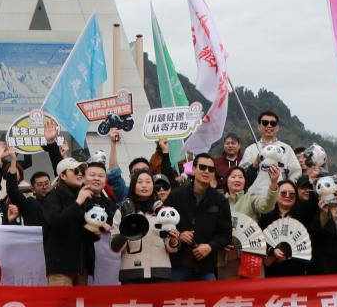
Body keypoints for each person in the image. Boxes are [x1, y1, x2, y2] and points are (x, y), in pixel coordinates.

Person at [165, 154, 232, 282]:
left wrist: (210, 246)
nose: (206, 171)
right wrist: (179, 235)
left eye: (211, 169)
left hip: (206, 267)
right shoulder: (176, 196)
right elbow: (164, 224)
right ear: (194, 169)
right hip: (178, 265)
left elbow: (226, 234)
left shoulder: (220, 200)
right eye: (202, 167)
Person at [111, 169, 178, 283]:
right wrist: (128, 225)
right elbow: (115, 247)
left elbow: (172, 247)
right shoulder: (122, 211)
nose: (144, 185)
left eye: (148, 182)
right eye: (140, 182)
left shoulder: (163, 211)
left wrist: (173, 240)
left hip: (161, 272)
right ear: (133, 185)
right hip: (131, 273)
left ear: (153, 185)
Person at [42, 158, 101, 285]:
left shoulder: (85, 196)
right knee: (61, 299)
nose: (80, 174)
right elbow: (56, 222)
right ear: (63, 176)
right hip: (61, 267)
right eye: (75, 170)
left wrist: (96, 230)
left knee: (81, 299)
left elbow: (88, 232)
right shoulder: (53, 196)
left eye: (82, 171)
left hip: (82, 265)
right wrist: (78, 202)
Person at [259, 180, 311, 277]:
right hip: (272, 269)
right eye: (283, 193)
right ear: (276, 194)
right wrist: (272, 251)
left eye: (292, 194)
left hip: (296, 270)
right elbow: (260, 241)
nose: (287, 196)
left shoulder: (303, 216)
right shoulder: (266, 216)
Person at [240, 112, 300, 180]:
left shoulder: (287, 149)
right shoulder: (250, 149)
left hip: (279, 186)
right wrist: (255, 165)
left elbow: (296, 172)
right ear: (259, 127)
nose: (269, 126)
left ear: (277, 128)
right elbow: (242, 173)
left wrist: (287, 185)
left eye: (273, 123)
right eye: (265, 123)